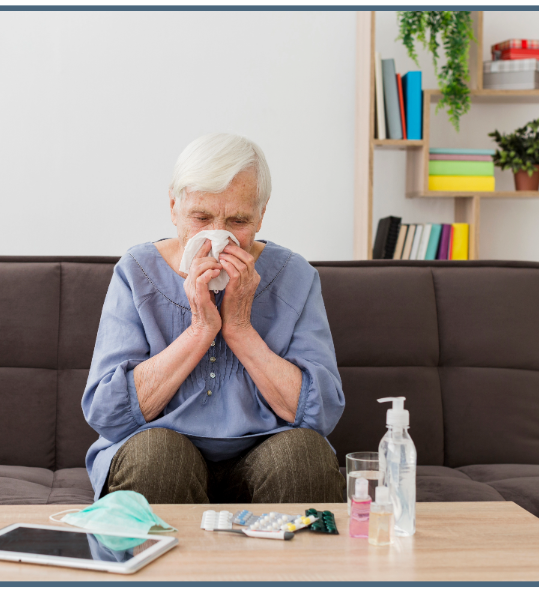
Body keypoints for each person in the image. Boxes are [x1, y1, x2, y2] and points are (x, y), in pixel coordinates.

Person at [82, 133, 346, 504]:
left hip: (267, 452)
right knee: (158, 459)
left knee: (302, 457)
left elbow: (320, 416)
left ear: (261, 216)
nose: (217, 237)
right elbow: (108, 415)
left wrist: (239, 328)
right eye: (201, 217)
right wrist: (201, 330)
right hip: (160, 449)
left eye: (238, 220)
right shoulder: (135, 272)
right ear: (174, 208)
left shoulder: (295, 276)